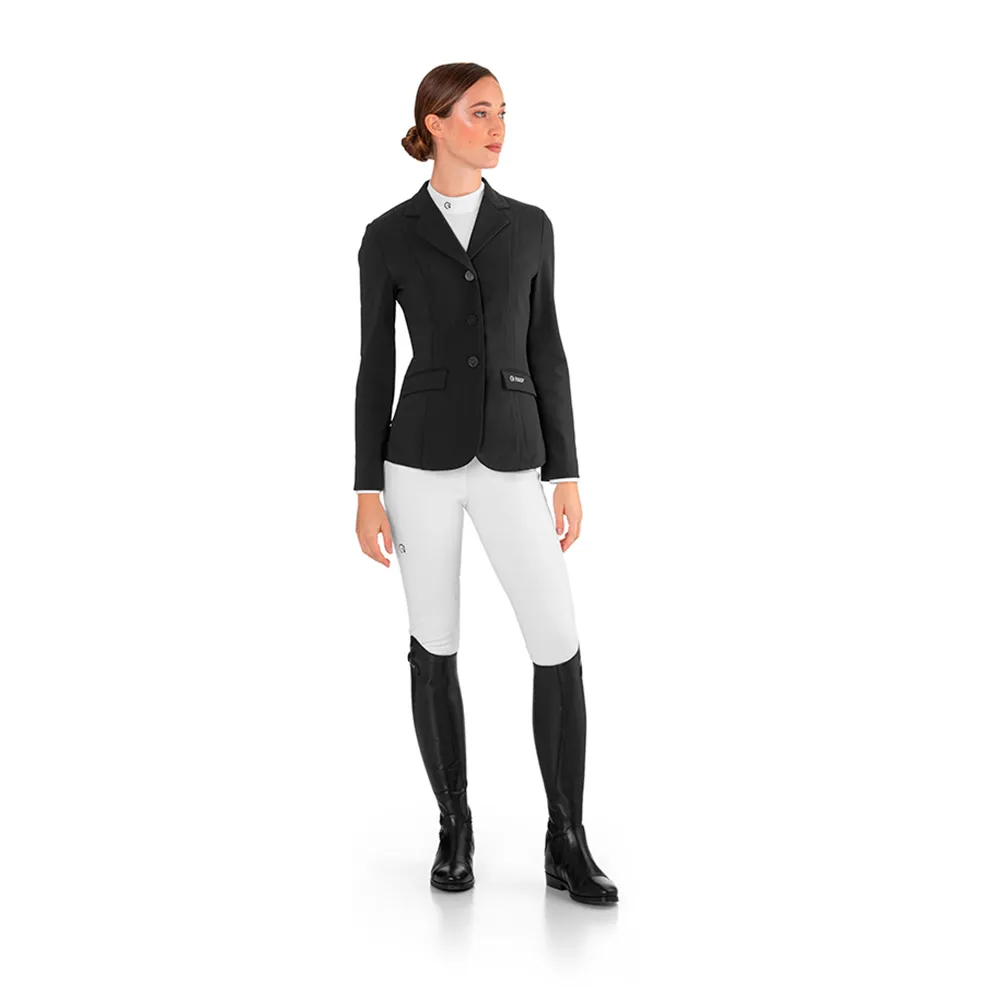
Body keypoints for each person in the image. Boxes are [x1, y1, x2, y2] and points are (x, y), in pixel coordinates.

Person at [353, 62, 618, 906]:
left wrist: (565, 468)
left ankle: (566, 838)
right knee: (433, 642)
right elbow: (374, 364)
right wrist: (365, 487)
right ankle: (454, 825)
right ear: (435, 123)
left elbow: (547, 350)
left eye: (503, 111)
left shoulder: (530, 226)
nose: (497, 126)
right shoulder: (387, 235)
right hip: (417, 463)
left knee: (557, 639)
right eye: (478, 112)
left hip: (513, 455)